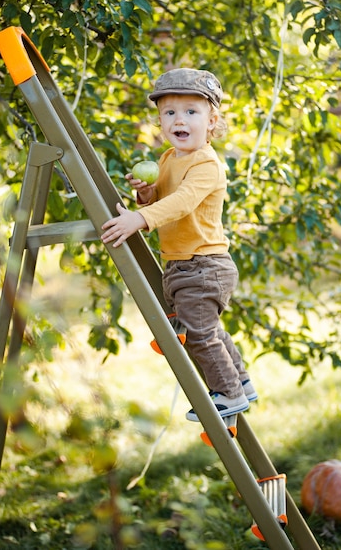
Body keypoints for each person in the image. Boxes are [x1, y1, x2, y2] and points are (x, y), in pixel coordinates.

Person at [101, 68, 257, 421]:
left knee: (200, 334)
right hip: (184, 265)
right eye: (169, 113)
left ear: (211, 120)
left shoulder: (207, 164)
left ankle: (229, 394)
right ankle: (241, 381)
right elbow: (164, 197)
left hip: (205, 265)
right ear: (160, 120)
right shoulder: (169, 158)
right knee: (209, 329)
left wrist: (138, 220)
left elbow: (183, 202)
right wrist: (146, 194)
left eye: (190, 111)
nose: (178, 120)